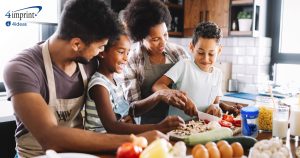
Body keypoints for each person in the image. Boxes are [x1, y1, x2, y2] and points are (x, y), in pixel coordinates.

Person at [3, 0, 166, 157]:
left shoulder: (89, 62)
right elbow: (49, 137)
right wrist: (135, 140)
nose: (101, 52)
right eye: (100, 47)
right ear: (76, 44)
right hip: (36, 155)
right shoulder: (21, 69)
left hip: (79, 154)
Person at [84, 28, 184, 134]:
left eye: (127, 53)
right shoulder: (99, 86)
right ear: (102, 52)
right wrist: (158, 127)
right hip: (100, 144)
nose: (126, 58)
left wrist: (158, 95)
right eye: (121, 52)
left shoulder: (115, 80)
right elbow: (112, 126)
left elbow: (132, 110)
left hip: (115, 139)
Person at [121, 0, 194, 124]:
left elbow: (194, 86)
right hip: (148, 126)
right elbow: (133, 109)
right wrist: (159, 94)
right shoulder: (132, 59)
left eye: (165, 35)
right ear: (141, 37)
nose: (163, 43)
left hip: (182, 123)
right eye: (155, 39)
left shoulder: (178, 53)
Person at [153, 22, 224, 121]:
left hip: (202, 128)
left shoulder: (218, 74)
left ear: (219, 51)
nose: (206, 58)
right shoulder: (184, 66)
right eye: (200, 52)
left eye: (211, 54)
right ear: (191, 47)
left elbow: (216, 100)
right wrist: (181, 99)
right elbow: (157, 86)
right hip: (177, 127)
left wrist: (215, 106)